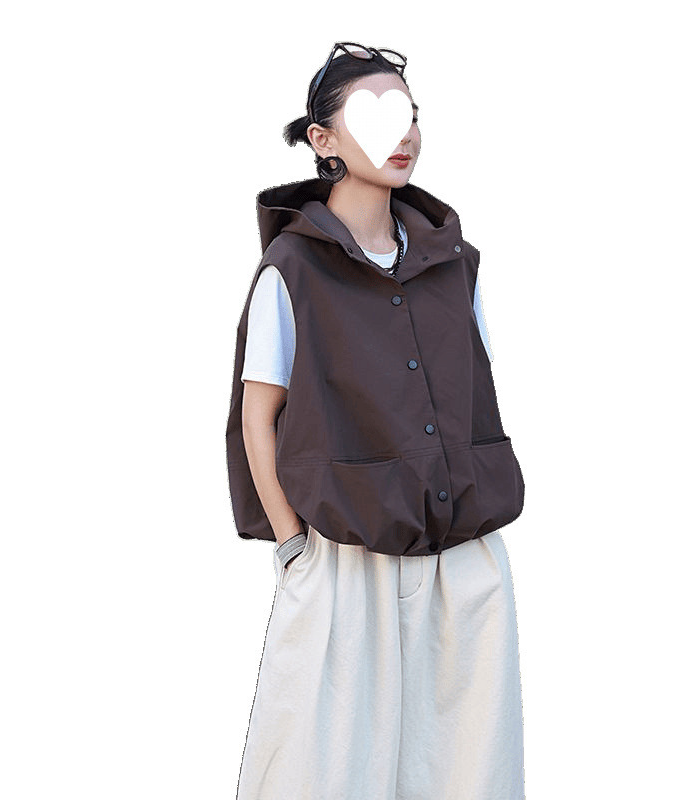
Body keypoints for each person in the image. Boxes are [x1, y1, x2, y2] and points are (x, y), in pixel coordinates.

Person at [227, 43, 526, 800]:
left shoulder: (455, 262)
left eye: (409, 113)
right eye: (374, 113)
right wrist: (293, 547)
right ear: (322, 139)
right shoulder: (292, 270)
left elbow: (472, 393)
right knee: (323, 773)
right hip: (343, 559)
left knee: (465, 773)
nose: (403, 133)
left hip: (462, 559)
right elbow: (258, 417)